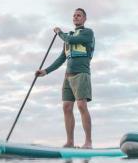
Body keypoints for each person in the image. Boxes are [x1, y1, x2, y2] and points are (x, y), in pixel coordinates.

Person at [36, 8, 95, 148]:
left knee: (81, 105)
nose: (76, 17)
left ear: (84, 19)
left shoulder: (87, 33)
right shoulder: (68, 37)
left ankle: (88, 142)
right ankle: (70, 142)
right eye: (74, 15)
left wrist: (59, 33)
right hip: (68, 76)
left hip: (81, 74)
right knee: (67, 107)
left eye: (79, 15)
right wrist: (46, 71)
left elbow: (69, 39)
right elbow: (61, 58)